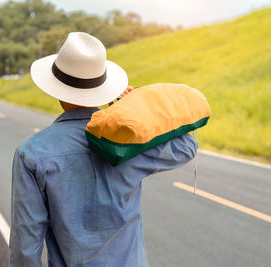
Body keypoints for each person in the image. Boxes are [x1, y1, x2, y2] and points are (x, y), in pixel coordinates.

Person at [10, 32, 198, 267]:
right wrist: (136, 108)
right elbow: (187, 146)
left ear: (57, 90)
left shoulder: (31, 153)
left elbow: (25, 247)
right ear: (103, 87)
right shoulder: (128, 139)